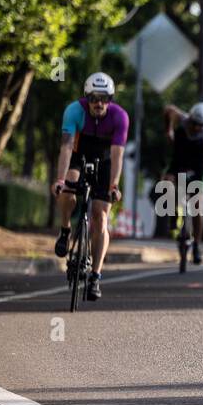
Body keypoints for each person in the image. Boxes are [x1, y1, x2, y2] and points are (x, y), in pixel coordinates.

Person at [52, 72, 128, 301]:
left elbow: (117, 155)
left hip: (105, 161)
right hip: (78, 154)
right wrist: (60, 180)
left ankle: (95, 276)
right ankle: (65, 229)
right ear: (87, 97)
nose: (99, 103)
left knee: (101, 217)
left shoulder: (119, 117)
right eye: (94, 98)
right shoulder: (74, 111)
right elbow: (66, 148)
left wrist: (114, 185)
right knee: (68, 187)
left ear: (110, 99)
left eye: (104, 98)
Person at [162, 100, 203, 265]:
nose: (196, 128)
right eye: (194, 124)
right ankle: (173, 214)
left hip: (197, 168)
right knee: (168, 183)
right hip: (179, 162)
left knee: (197, 207)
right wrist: (168, 130)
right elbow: (168, 109)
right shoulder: (182, 118)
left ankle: (197, 246)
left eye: (200, 125)